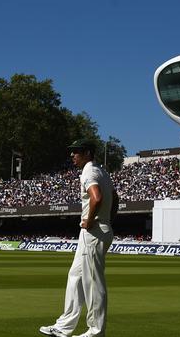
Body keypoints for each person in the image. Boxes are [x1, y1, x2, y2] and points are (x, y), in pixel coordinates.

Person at [40, 138, 116, 337]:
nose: (72, 155)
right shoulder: (102, 172)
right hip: (97, 230)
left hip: (94, 231)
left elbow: (97, 197)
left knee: (93, 282)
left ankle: (96, 332)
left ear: (88, 153)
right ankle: (64, 326)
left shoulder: (89, 171)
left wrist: (91, 220)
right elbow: (114, 199)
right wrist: (107, 219)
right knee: (75, 277)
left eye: (76, 152)